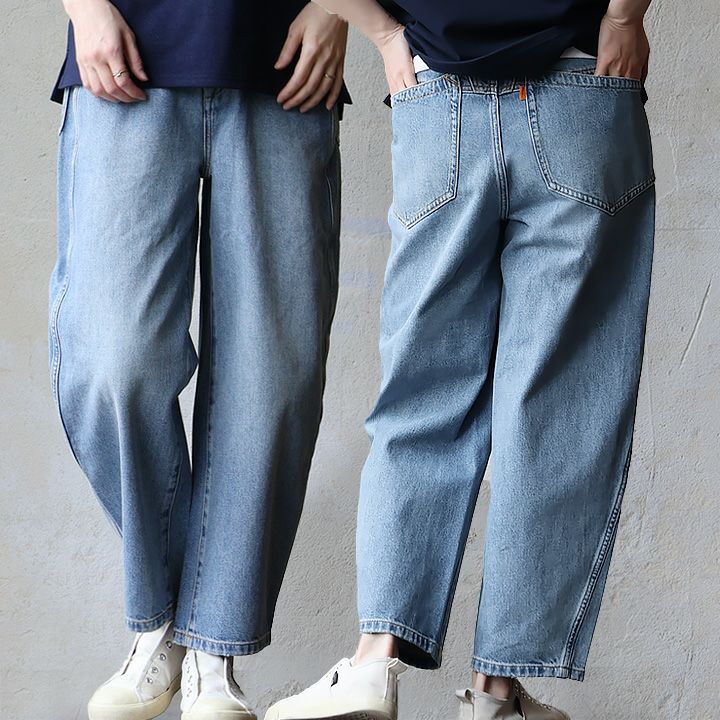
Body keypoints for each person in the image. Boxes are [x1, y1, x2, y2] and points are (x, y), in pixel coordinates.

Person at [266, 0, 655, 718]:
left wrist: (385, 34)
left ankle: (374, 661)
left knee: (420, 394)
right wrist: (625, 17)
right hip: (580, 87)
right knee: (559, 409)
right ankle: (496, 692)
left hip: (437, 97)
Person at [47, 1, 348, 719]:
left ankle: (212, 653)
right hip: (125, 54)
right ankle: (169, 618)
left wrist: (337, 9)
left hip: (286, 62)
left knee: (273, 382)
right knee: (113, 361)